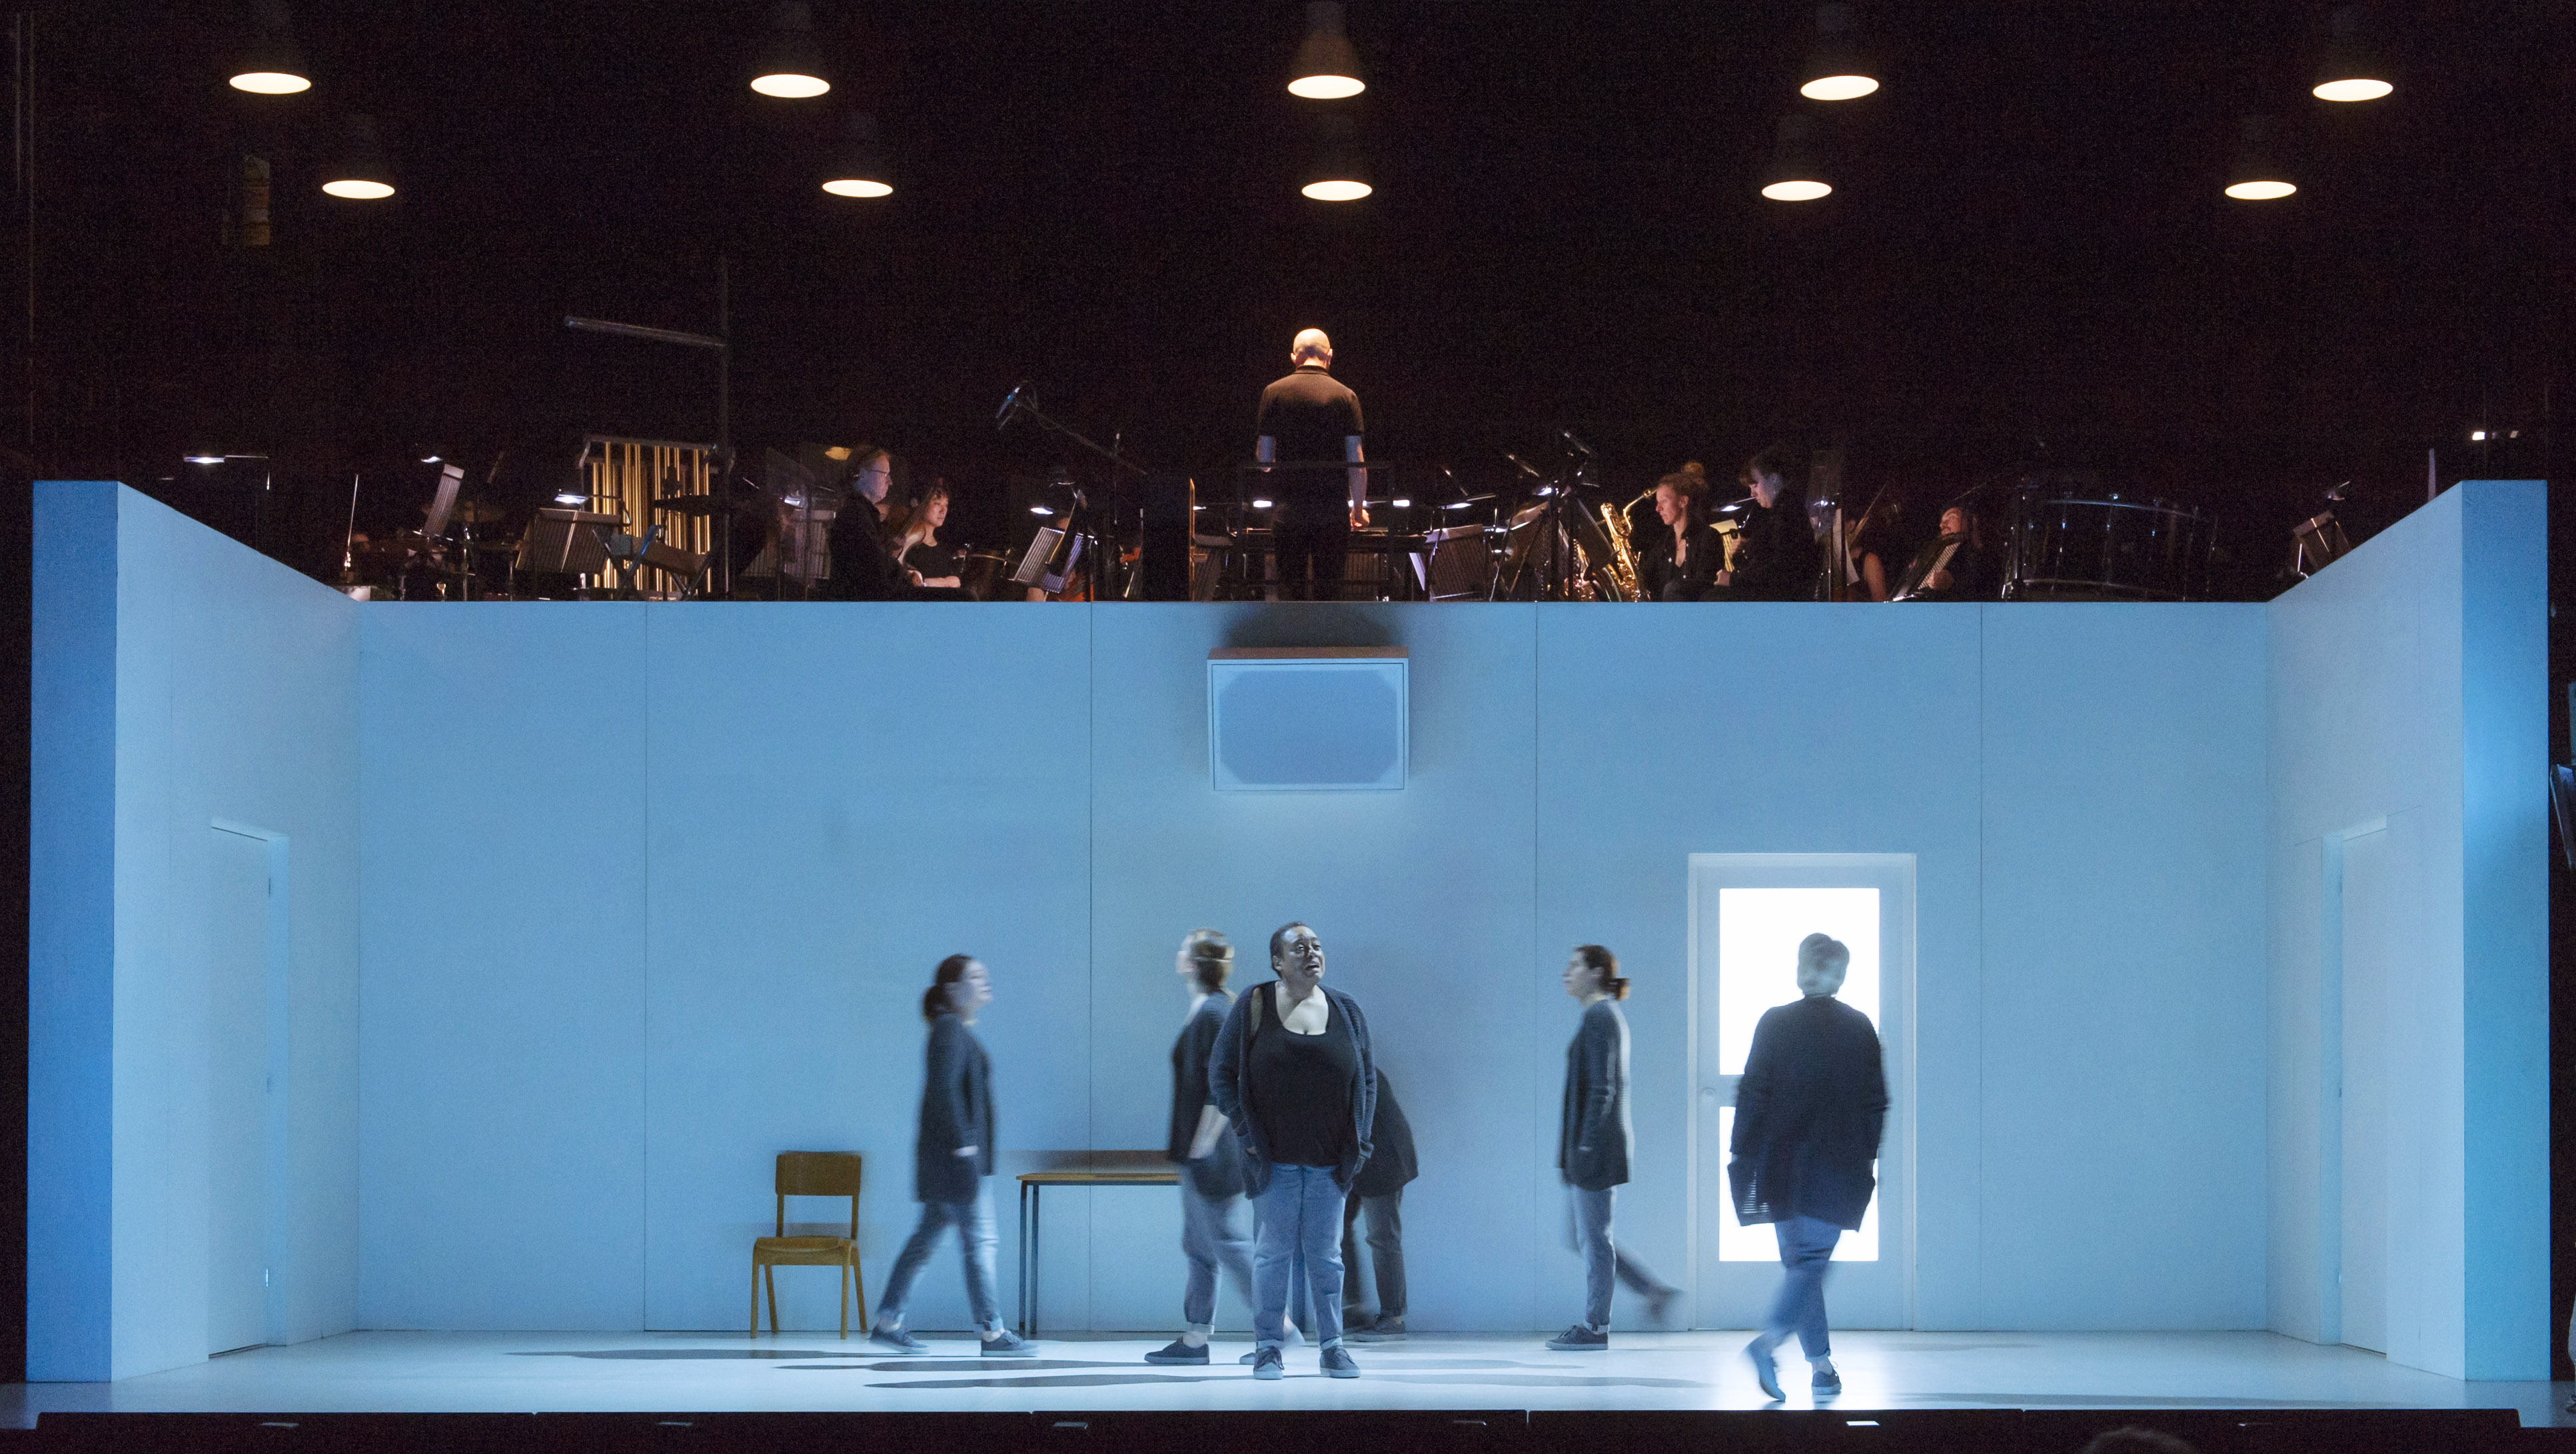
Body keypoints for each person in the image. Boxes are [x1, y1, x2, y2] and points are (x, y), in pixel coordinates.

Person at [1209, 922, 1377, 1380]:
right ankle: (1268, 1347)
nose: (1311, 953)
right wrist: (1244, 1130)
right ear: (1278, 962)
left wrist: (1358, 1145)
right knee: (1272, 1256)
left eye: (1317, 945)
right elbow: (1220, 1074)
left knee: (1328, 1257)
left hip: (1331, 1163)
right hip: (1273, 1161)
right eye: (1299, 947)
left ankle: (1333, 1347)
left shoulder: (1346, 1009)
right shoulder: (1255, 1004)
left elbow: (1366, 1080)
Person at [1731, 933, 1888, 1399]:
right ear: (1840, 975)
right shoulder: (1859, 1027)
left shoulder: (1774, 1023)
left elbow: (1753, 1092)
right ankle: (1770, 1341)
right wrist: (1866, 1156)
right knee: (1811, 1264)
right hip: (1836, 1164)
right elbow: (1875, 1102)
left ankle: (1821, 1366)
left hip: (1779, 1164)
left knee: (1802, 1265)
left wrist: (1743, 1154)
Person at [869, 955, 1037, 1357]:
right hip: (957, 1163)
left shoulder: (955, 1029)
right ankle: (993, 1332)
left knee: (925, 1242)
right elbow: (942, 1090)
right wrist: (964, 1144)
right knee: (980, 1244)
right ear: (952, 989)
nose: (985, 982)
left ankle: (888, 1321)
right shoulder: (949, 1030)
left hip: (948, 1163)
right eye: (976, 976)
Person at [1548, 944, 1679, 1351]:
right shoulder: (1597, 1017)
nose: (1566, 972)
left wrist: (1584, 1149)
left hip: (1597, 1151)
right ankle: (1653, 1291)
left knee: (1595, 1240)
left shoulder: (1601, 1017)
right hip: (1590, 1150)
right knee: (1584, 1237)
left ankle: (1595, 1327)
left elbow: (1602, 1089)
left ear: (1596, 973)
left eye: (1574, 966)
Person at [1145, 930, 1256, 1365]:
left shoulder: (1213, 1013)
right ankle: (1195, 1339)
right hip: (1199, 1152)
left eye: (1183, 949)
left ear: (1191, 963)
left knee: (1228, 1244)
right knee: (1200, 1247)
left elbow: (1228, 1084)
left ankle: (1276, 1328)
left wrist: (1204, 1142)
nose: (1177, 954)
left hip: (1211, 1153)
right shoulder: (1207, 1010)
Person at [1254, 329, 1367, 602]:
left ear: (1295, 357)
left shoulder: (1273, 392)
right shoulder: (1346, 396)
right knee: (1329, 593)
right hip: (1332, 512)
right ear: (1330, 355)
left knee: (1289, 590)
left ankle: (1292, 643)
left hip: (1288, 510)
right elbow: (1357, 463)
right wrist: (1359, 509)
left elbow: (1265, 462)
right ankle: (1326, 643)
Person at [1339, 1066, 1417, 1341]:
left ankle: (1393, 1317)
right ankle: (1354, 1309)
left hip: (1383, 1156)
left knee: (1383, 1237)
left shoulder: (1344, 1063)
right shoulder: (1348, 1059)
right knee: (1339, 1230)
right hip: (1357, 1155)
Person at [1711, 446, 1820, 601]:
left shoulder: (1787, 513)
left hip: (1781, 600)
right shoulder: (1780, 512)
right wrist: (1740, 554)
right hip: (1774, 596)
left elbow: (1781, 570)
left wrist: (1733, 579)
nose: (1752, 493)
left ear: (1774, 480)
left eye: (1755, 485)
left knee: (1713, 597)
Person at [1636, 462, 1724, 602]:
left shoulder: (1709, 537)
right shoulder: (1664, 543)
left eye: (1663, 501)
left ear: (1683, 502)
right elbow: (1644, 578)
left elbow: (1708, 588)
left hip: (1698, 618)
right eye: (1657, 503)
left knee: (1674, 587)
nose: (1658, 509)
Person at [1892, 501, 1994, 601]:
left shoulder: (1990, 554)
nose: (1942, 524)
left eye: (1951, 517)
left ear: (1973, 520)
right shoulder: (1938, 553)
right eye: (1941, 521)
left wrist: (1953, 583)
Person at [893, 479, 964, 590]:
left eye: (946, 505)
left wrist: (931, 583)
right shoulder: (908, 545)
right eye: (937, 504)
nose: (943, 510)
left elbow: (956, 581)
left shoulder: (945, 551)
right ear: (921, 505)